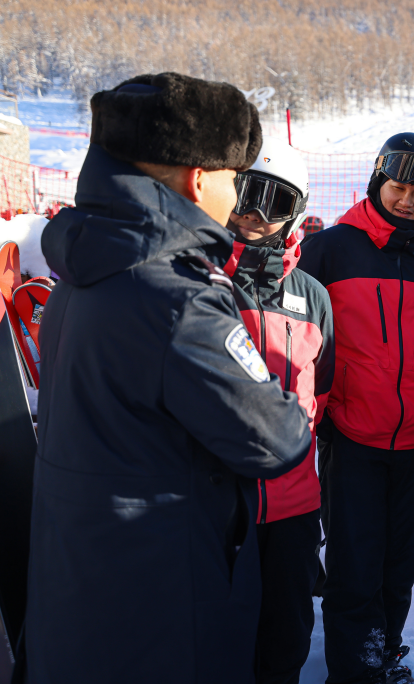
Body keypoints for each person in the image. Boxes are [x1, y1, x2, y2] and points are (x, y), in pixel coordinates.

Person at [26, 73, 312, 683]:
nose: (239, 200)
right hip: (163, 611)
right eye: (236, 179)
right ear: (199, 179)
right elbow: (277, 438)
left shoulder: (84, 267)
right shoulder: (181, 298)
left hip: (81, 598)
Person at [297, 132, 414, 684]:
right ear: (377, 182)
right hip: (353, 436)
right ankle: (353, 669)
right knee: (355, 563)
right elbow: (300, 336)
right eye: (398, 188)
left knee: (399, 563)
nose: (408, 201)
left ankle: (382, 652)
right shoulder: (331, 248)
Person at [224, 138, 334, 684]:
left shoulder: (313, 296)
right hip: (223, 504)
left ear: (296, 213)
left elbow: (322, 392)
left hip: (294, 506)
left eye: (277, 202)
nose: (256, 213)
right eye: (248, 193)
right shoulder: (203, 278)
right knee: (224, 637)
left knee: (285, 635)